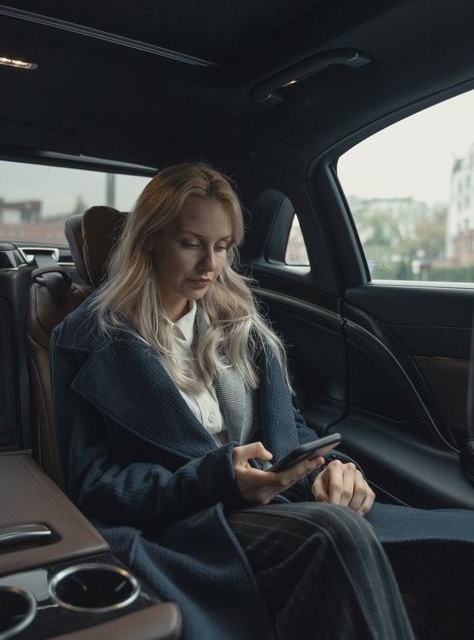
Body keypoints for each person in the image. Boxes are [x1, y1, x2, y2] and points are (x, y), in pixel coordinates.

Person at [51, 162, 474, 640]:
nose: (210, 265)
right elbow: (94, 484)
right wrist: (217, 479)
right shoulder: (89, 338)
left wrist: (331, 465)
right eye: (191, 244)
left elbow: (290, 429)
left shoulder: (240, 323)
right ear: (150, 238)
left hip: (280, 500)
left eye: (222, 247)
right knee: (334, 536)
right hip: (189, 522)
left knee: (461, 541)